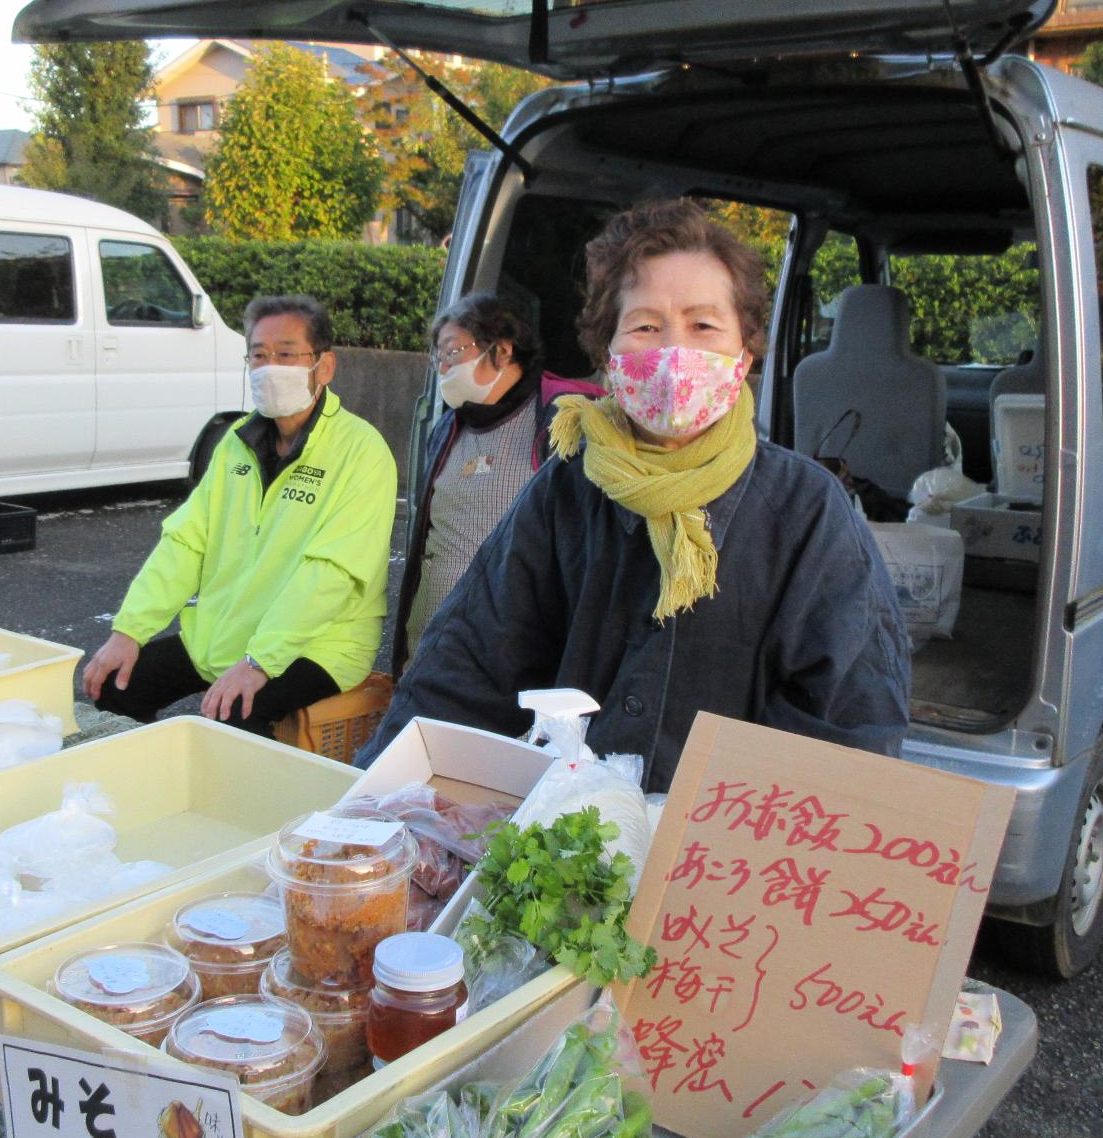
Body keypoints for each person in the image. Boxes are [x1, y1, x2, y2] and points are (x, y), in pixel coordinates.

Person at [358, 200, 910, 792]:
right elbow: (468, 664)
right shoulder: (566, 490)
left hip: (713, 857)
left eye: (703, 327)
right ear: (609, 356)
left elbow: (849, 727)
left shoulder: (805, 511)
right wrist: (373, 797)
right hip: (569, 842)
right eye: (646, 326)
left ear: (743, 354)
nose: (674, 355)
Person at [82, 294, 398, 737]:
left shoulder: (361, 451)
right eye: (258, 355)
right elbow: (187, 541)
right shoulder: (237, 440)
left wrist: (259, 662)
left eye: (286, 354)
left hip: (321, 643)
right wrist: (129, 631)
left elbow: (331, 575)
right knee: (113, 687)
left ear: (324, 366)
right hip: (231, 633)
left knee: (231, 717)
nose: (270, 366)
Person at [393, 291, 601, 669]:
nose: (442, 368)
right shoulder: (448, 426)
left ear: (502, 350)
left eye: (453, 352)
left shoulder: (562, 418)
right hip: (430, 650)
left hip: (510, 659)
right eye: (438, 357)